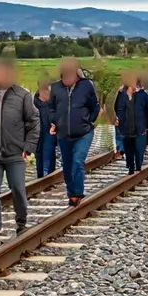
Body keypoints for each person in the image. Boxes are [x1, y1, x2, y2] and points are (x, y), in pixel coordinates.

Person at [0, 57, 40, 239]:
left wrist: (28, 147)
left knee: (17, 189)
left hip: (15, 153)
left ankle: (21, 222)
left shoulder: (22, 95)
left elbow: (34, 122)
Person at [47, 58, 100, 207]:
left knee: (78, 161)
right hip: (63, 134)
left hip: (84, 132)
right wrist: (54, 121)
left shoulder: (86, 86)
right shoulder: (56, 88)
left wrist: (90, 120)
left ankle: (78, 193)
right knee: (67, 165)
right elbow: (51, 108)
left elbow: (94, 106)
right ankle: (71, 193)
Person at [113, 71, 148, 174]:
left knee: (139, 150)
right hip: (126, 128)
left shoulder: (142, 95)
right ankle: (130, 168)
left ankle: (138, 168)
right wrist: (118, 120)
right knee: (129, 151)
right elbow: (118, 108)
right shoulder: (121, 94)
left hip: (140, 127)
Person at [33, 82, 57, 178]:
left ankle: (47, 180)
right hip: (38, 139)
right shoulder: (33, 104)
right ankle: (42, 182)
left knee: (47, 165)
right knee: (40, 166)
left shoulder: (52, 103)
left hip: (50, 137)